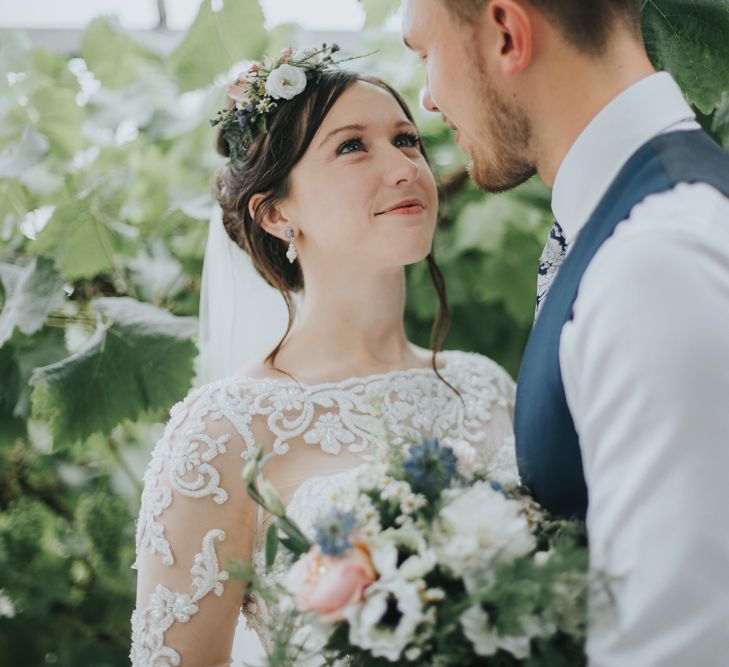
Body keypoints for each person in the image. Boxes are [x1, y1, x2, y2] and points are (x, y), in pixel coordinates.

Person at [130, 47, 518, 666]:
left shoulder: (486, 386)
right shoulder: (224, 432)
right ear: (277, 212)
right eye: (352, 146)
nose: (403, 167)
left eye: (407, 140)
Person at [401, 0, 729, 664]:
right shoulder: (634, 218)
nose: (428, 98)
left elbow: (678, 641)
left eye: (423, 54)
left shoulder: (654, 260)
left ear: (504, 33)